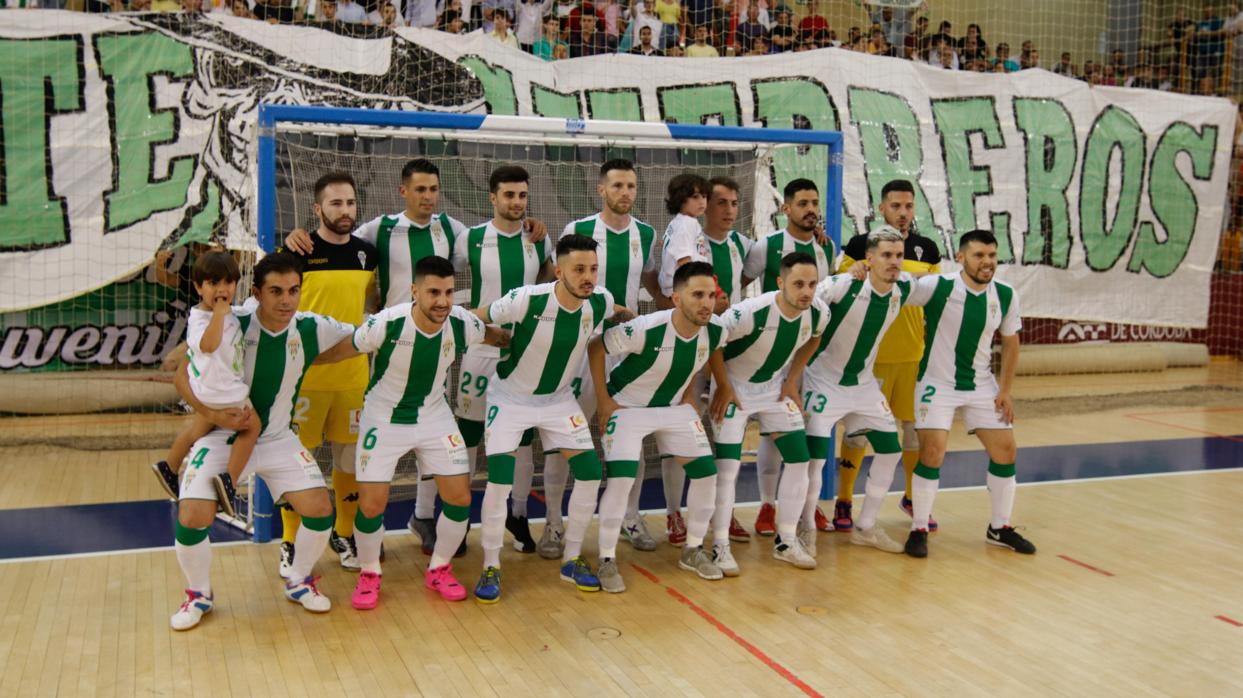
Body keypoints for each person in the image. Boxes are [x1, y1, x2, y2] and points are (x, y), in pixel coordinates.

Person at [168, 252, 353, 631]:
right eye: (276, 291)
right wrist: (214, 414)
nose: (286, 300)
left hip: (279, 438)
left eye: (294, 290)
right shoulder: (232, 323)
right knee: (191, 517)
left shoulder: (310, 327)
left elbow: (361, 336)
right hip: (224, 436)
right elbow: (181, 371)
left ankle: (299, 580)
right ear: (256, 293)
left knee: (319, 510)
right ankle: (198, 593)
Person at [312, 256, 507, 607]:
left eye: (449, 292)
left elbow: (496, 336)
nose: (443, 301)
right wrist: (300, 363)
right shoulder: (387, 324)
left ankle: (439, 569)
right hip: (384, 417)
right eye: (434, 292)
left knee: (460, 497)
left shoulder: (461, 323)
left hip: (434, 415)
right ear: (415, 291)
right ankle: (369, 573)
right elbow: (342, 350)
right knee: (371, 505)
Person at [472, 235, 629, 603]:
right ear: (558, 271)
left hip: (559, 401)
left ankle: (572, 559)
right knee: (499, 482)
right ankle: (491, 564)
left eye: (593, 268)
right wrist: (492, 337)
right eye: (579, 269)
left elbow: (616, 309)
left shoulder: (599, 300)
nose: (588, 276)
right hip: (510, 399)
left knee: (590, 472)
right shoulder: (527, 299)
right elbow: (477, 316)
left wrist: (647, 318)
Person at [585, 261, 730, 590]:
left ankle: (692, 550)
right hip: (628, 406)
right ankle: (606, 559)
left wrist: (690, 389)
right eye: (697, 295)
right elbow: (596, 347)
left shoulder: (716, 329)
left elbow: (701, 353)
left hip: (673, 407)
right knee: (621, 480)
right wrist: (605, 401)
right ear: (677, 299)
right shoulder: (646, 328)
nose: (706, 302)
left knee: (707, 475)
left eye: (711, 295)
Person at [545, 160, 662, 559]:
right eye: (617, 185)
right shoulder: (577, 230)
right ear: (601, 190)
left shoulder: (646, 233)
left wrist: (666, 311)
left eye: (631, 185)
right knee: (568, 435)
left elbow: (647, 278)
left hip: (625, 347)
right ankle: (554, 525)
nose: (625, 192)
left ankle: (630, 516)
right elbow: (553, 278)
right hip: (579, 347)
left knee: (632, 435)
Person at [902, 230, 1036, 558]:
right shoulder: (939, 287)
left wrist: (1005, 391)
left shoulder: (1005, 295)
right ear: (961, 258)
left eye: (992, 255)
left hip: (981, 384)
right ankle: (919, 527)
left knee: (1006, 451)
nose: (987, 262)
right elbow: (897, 284)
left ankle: (999, 528)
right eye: (979, 255)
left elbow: (1012, 343)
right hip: (936, 384)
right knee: (933, 452)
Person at [271, 172, 379, 577]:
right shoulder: (296, 251)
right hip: (306, 379)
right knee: (295, 463)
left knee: (350, 460)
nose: (345, 211)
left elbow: (370, 300)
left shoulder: (368, 254)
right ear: (317, 209)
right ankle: (289, 541)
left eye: (350, 203)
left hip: (353, 377)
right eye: (335, 204)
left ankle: (343, 532)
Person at [450, 165, 554, 558]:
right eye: (508, 195)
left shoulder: (539, 241)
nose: (516, 202)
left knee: (522, 441)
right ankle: (458, 520)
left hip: (522, 352)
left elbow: (546, 279)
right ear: (492, 198)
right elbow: (444, 276)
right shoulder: (471, 239)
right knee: (470, 436)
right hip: (480, 351)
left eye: (522, 196)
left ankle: (519, 514)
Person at [792, 227, 914, 558]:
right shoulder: (843, 284)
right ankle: (806, 527)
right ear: (869, 258)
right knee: (815, 460)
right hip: (823, 382)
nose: (894, 262)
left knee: (890, 449)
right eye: (886, 255)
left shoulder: (904, 288)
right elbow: (799, 303)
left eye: (899, 255)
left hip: (863, 385)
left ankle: (866, 526)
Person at [833, 179, 940, 533]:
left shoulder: (927, 250)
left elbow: (935, 301)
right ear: (881, 208)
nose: (903, 213)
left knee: (912, 433)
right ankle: (845, 499)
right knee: (857, 434)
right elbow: (840, 284)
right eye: (896, 206)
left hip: (912, 357)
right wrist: (850, 269)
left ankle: (911, 497)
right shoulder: (860, 245)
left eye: (909, 206)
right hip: (870, 359)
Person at [711, 252, 827, 574]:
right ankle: (720, 544)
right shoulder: (749, 312)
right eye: (798, 284)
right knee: (728, 468)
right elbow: (712, 342)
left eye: (812, 284)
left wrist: (791, 381)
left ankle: (786, 540)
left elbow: (814, 340)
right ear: (780, 282)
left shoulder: (818, 312)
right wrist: (723, 386)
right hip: (735, 388)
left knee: (800, 460)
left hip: (774, 390)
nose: (806, 291)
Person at [740, 178, 836, 537]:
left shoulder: (826, 249)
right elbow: (743, 284)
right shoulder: (768, 246)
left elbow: (826, 298)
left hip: (811, 351)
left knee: (811, 426)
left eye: (815, 202)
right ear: (786, 208)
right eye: (803, 203)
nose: (810, 209)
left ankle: (807, 507)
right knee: (771, 431)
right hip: (771, 351)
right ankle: (767, 505)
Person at [182, 251, 261, 518]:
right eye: (213, 283)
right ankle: (230, 480)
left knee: (198, 429)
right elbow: (207, 344)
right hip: (223, 393)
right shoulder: (201, 319)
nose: (222, 289)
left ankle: (169, 467)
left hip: (212, 395)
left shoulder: (230, 313)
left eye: (228, 282)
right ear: (198, 287)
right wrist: (218, 314)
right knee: (252, 427)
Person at [657, 173, 710, 308]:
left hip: (674, 289)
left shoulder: (678, 222)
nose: (702, 201)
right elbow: (684, 261)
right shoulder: (687, 224)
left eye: (704, 196)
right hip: (682, 290)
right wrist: (695, 291)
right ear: (680, 199)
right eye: (695, 197)